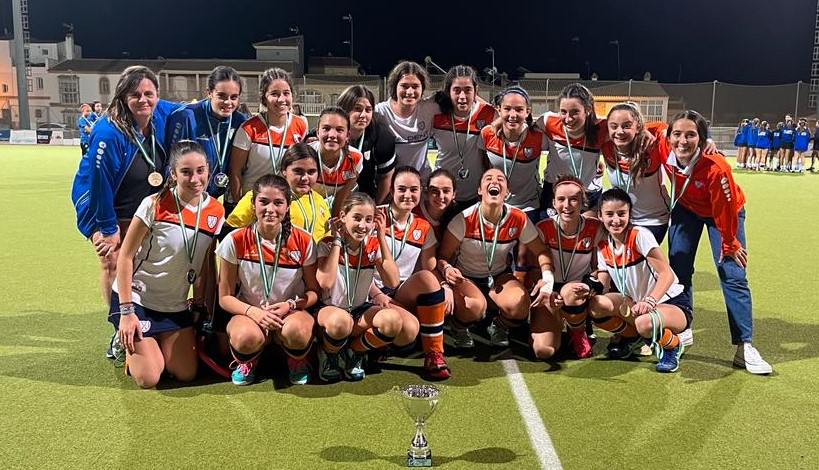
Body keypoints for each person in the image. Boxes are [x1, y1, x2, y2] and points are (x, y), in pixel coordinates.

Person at [70, 65, 179, 358]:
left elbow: (197, 109)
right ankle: (119, 329)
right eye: (135, 95)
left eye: (149, 94)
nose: (144, 100)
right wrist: (107, 228)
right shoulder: (108, 131)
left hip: (139, 205)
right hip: (101, 205)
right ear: (123, 97)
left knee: (139, 263)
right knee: (113, 261)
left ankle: (144, 317)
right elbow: (99, 182)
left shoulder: (162, 112)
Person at [661, 110, 772, 375]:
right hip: (686, 208)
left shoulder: (716, 167)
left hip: (722, 213)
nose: (683, 141)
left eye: (691, 135)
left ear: (701, 139)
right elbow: (647, 125)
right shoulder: (662, 141)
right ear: (668, 136)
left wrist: (730, 242)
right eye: (677, 134)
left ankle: (744, 346)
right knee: (679, 268)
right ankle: (683, 326)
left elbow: (725, 210)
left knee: (732, 272)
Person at [109, 141, 225, 388]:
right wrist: (127, 311)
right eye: (185, 172)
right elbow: (125, 256)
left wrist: (201, 303)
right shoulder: (154, 204)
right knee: (150, 377)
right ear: (172, 174)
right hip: (139, 300)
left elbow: (205, 262)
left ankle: (155, 342)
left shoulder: (216, 210)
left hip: (175, 304)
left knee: (186, 374)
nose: (195, 179)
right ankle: (126, 341)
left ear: (209, 170)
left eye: (200, 170)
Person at [217, 174, 319, 385]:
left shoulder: (304, 240)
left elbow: (314, 292)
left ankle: (296, 360)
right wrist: (254, 312)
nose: (270, 209)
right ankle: (249, 361)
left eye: (278, 203)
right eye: (263, 202)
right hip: (250, 313)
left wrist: (290, 305)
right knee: (245, 338)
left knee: (297, 332)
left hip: (289, 313)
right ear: (253, 204)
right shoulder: (234, 240)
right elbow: (225, 298)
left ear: (287, 206)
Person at [437, 168, 554, 348]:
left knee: (520, 305)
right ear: (479, 190)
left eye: (501, 179)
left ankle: (499, 326)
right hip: (466, 277)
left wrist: (547, 279)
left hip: (498, 276)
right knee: (474, 308)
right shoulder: (463, 219)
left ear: (507, 192)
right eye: (488, 179)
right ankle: (458, 328)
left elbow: (541, 251)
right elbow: (442, 257)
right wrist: (447, 269)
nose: (494, 182)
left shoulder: (519, 218)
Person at [586, 188, 690, 372]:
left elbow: (667, 274)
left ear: (630, 214)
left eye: (621, 213)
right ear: (600, 216)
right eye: (609, 214)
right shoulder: (603, 246)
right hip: (636, 304)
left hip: (671, 302)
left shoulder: (639, 235)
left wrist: (650, 300)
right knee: (596, 305)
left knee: (644, 323)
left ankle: (672, 345)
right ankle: (631, 337)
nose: (616, 220)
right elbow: (603, 282)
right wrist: (591, 286)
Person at [315, 192, 409, 382]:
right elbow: (325, 282)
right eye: (356, 218)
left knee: (393, 321)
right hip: (330, 311)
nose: (362, 225)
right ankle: (329, 354)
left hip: (358, 310)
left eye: (368, 220)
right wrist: (336, 240)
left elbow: (392, 281)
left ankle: (354, 352)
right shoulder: (326, 244)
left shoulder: (373, 245)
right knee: (340, 322)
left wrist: (381, 236)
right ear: (343, 216)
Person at [370, 166, 447, 379]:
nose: (407, 195)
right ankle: (369, 345)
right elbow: (354, 262)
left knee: (429, 280)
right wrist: (376, 293)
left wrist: (445, 288)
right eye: (401, 189)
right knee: (408, 331)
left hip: (400, 290)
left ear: (420, 191)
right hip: (369, 289)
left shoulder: (423, 226)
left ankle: (434, 353)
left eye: (413, 190)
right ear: (392, 190)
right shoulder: (374, 216)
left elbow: (429, 268)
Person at [532, 175, 604, 360]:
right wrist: (548, 290)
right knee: (544, 351)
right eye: (561, 199)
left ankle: (578, 330)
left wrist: (591, 286)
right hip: (549, 291)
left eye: (574, 199)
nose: (567, 205)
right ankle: (559, 321)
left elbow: (598, 267)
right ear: (553, 202)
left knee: (571, 292)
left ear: (583, 202)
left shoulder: (595, 227)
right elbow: (534, 270)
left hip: (576, 290)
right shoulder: (543, 228)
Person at [229, 68, 308, 213]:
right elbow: (235, 171)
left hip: (284, 203)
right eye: (274, 94)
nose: (281, 99)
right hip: (253, 202)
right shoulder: (248, 128)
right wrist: (239, 204)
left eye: (286, 93)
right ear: (264, 97)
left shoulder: (301, 124)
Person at [167, 66, 247, 199]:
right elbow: (172, 162)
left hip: (220, 197)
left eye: (234, 97)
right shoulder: (186, 116)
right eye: (221, 96)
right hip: (189, 195)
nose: (228, 102)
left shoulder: (239, 120)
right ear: (209, 92)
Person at [226, 143, 331, 243]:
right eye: (298, 171)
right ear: (284, 170)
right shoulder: (261, 196)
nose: (304, 178)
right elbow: (229, 230)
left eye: (311, 172)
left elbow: (326, 240)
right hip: (272, 260)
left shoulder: (320, 201)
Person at [602, 103, 671, 242]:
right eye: (614, 126)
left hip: (653, 220)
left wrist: (707, 138)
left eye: (626, 126)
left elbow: (669, 128)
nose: (619, 131)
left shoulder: (652, 145)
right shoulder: (606, 145)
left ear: (638, 126)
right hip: (622, 219)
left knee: (642, 262)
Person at [479, 85, 548, 221]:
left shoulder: (538, 137)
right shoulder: (487, 134)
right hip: (497, 206)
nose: (512, 115)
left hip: (529, 207)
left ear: (527, 111)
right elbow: (483, 166)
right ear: (499, 110)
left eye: (519, 109)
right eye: (507, 109)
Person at [430, 65, 496, 206]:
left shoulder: (489, 113)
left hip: (476, 195)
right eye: (456, 90)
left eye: (467, 90)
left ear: (476, 91)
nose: (462, 97)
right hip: (442, 196)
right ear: (448, 91)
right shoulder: (435, 112)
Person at [375, 61, 439, 182]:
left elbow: (462, 100)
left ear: (422, 88)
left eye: (415, 86)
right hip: (392, 186)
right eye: (404, 86)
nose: (410, 92)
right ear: (395, 86)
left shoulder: (430, 108)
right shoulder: (380, 112)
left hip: (421, 183)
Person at [337, 85, 397, 204]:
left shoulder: (382, 137)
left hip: (365, 197)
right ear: (344, 109)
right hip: (331, 194)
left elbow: (386, 177)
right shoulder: (328, 134)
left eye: (368, 110)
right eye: (357, 109)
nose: (363, 115)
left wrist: (376, 206)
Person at [309, 106, 364, 215]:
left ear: (347, 135)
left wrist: (335, 221)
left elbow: (341, 198)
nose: (332, 135)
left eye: (339, 130)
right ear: (317, 132)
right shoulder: (305, 155)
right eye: (326, 128)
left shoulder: (355, 158)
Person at [413, 168, 461, 242]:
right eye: (434, 190)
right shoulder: (413, 211)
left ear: (454, 194)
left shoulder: (456, 218)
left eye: (446, 191)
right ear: (427, 192)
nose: (440, 196)